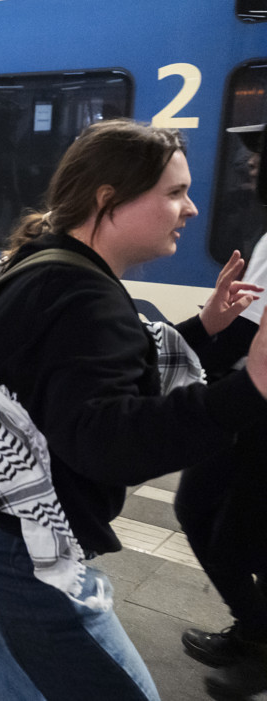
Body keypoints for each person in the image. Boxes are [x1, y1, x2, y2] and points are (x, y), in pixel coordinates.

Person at [0, 118, 267, 701]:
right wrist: (250, 388)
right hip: (10, 553)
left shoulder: (48, 263)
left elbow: (76, 374)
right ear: (109, 200)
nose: (192, 209)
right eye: (175, 192)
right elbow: (104, 441)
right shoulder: (85, 296)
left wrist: (202, 330)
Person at [174, 121, 267, 701]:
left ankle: (256, 631)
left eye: (262, 154)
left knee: (211, 516)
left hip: (254, 410)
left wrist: (179, 368)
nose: (252, 163)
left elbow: (244, 339)